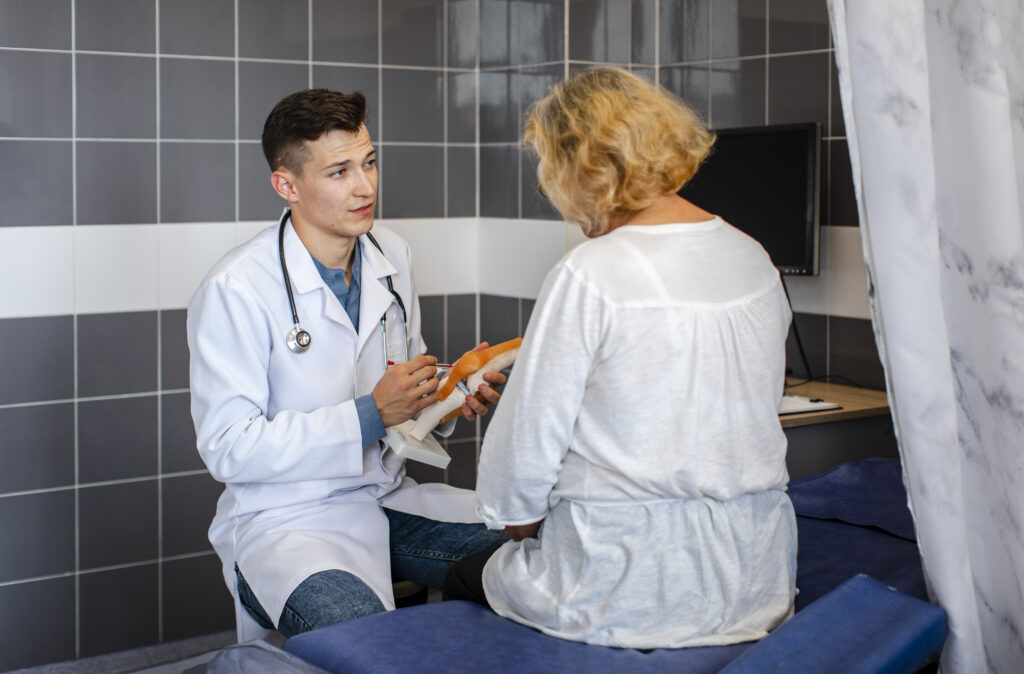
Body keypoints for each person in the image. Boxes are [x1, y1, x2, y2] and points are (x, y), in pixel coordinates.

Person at [442, 67, 797, 649]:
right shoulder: (752, 255)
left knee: (464, 574)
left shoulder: (590, 272)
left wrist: (523, 528)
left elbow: (521, 459)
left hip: (623, 586)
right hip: (754, 576)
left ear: (577, 166)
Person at [187, 88, 507, 637]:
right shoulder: (235, 288)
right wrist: (369, 414)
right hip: (287, 521)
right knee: (364, 637)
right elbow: (229, 447)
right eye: (339, 172)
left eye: (370, 162)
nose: (366, 186)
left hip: (387, 497)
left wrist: (449, 393)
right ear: (287, 186)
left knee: (534, 556)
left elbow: (400, 391)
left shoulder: (392, 254)